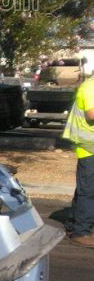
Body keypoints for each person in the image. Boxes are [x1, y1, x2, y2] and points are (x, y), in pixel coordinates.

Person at [62, 72, 94, 247]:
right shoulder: (90, 87)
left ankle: (73, 225)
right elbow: (92, 114)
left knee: (86, 187)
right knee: (89, 191)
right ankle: (81, 233)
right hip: (89, 147)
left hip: (90, 145)